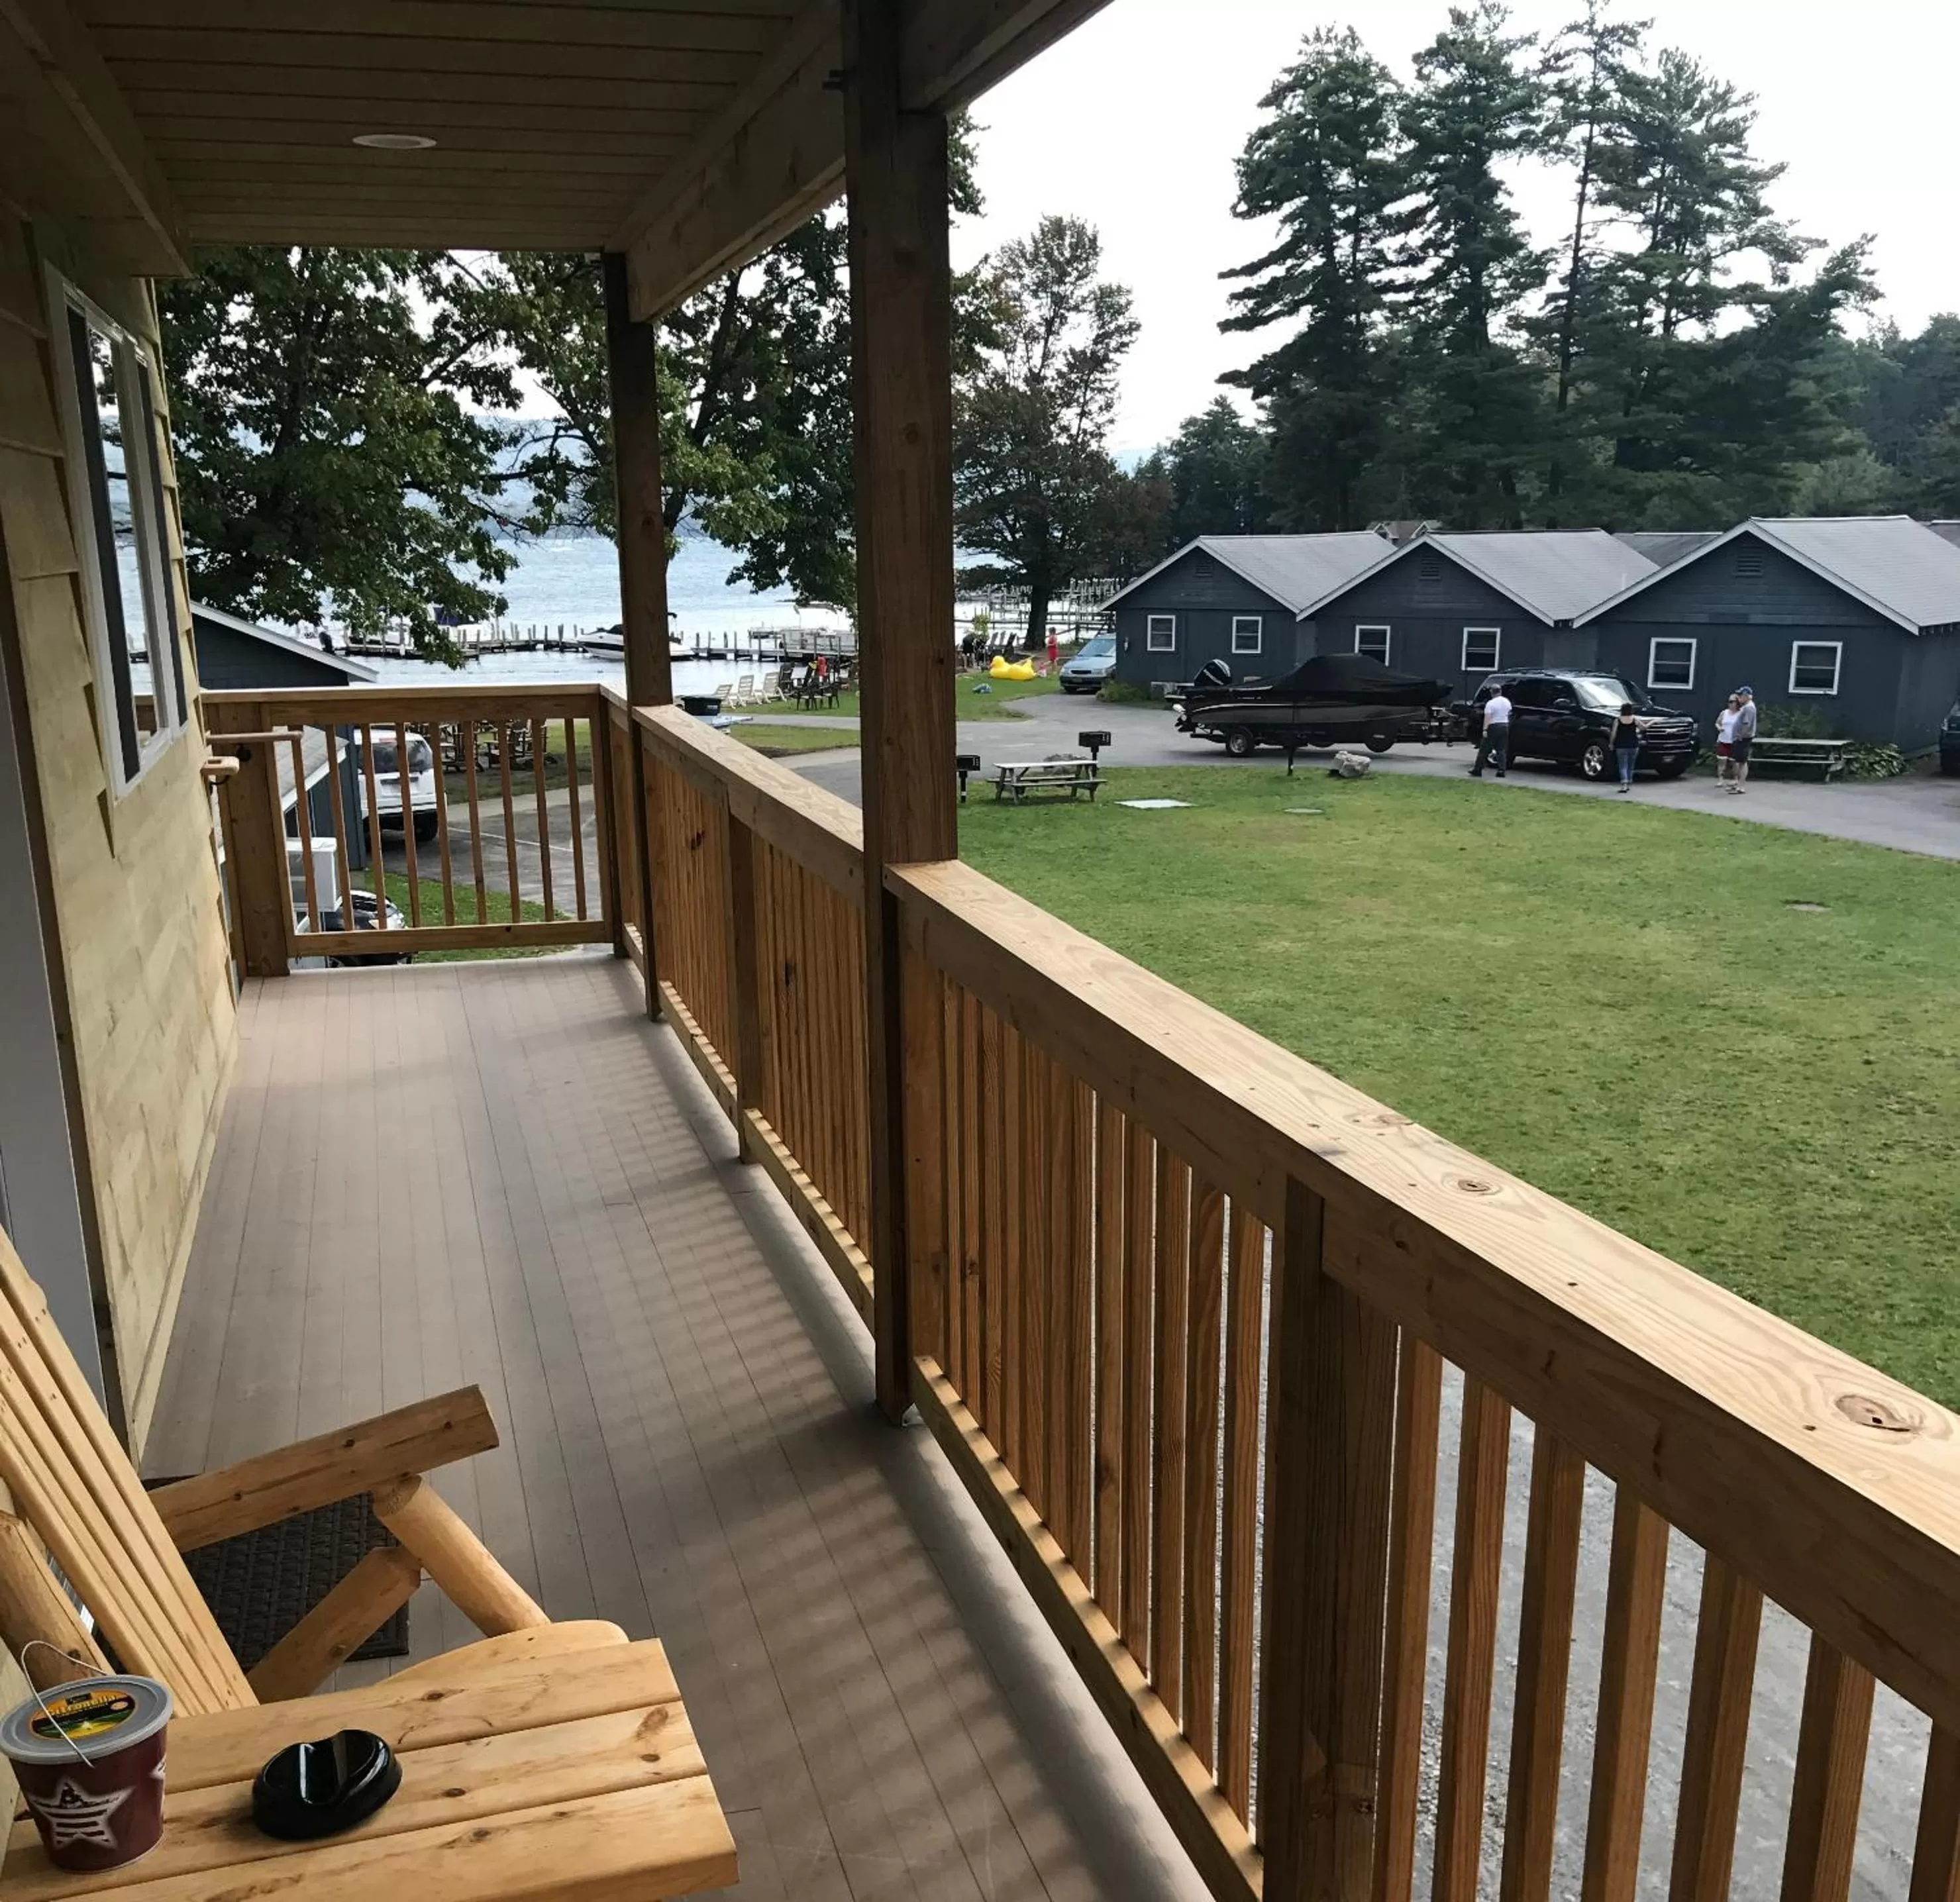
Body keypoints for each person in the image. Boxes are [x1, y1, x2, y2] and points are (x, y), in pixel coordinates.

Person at [1469, 685, 1512, 777]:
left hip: (1493, 726)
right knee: (1502, 749)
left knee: (1484, 749)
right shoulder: (1507, 701)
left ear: (1492, 692)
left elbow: (1488, 717)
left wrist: (1485, 729)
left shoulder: (1491, 703)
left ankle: (1478, 769)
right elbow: (1509, 713)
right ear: (1500, 691)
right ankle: (1501, 770)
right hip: (1504, 725)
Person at [1728, 685, 1757, 793]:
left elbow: (1746, 724)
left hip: (1743, 739)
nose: (1739, 697)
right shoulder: (1746, 707)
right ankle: (1738, 784)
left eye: (1741, 695)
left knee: (1742, 762)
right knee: (1739, 762)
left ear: (1746, 696)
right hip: (1741, 738)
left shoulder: (1749, 708)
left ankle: (1741, 786)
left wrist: (1740, 736)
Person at [1613, 702, 1641, 792]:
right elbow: (1644, 728)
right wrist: (1653, 722)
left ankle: (1624, 784)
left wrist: (1611, 743)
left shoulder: (1618, 720)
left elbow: (1614, 734)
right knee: (1631, 765)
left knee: (1623, 765)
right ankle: (1628, 782)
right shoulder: (1635, 720)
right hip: (1634, 745)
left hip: (1621, 745)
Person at [1714, 694, 1741, 783]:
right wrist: (1719, 728)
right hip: (1723, 740)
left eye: (1732, 702)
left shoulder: (1740, 714)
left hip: (1734, 742)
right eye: (1729, 702)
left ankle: (1735, 779)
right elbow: (1717, 723)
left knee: (1734, 762)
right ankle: (1720, 779)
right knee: (1722, 761)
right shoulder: (1724, 713)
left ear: (1737, 703)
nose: (1730, 704)